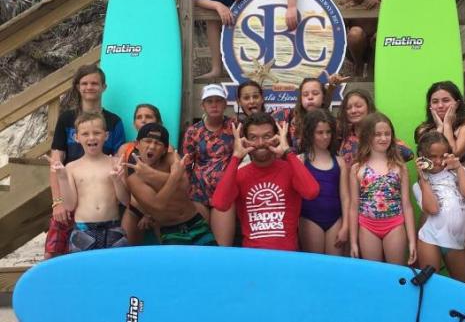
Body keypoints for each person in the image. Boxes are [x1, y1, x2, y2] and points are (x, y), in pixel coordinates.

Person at [45, 64, 125, 259]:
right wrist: (57, 202)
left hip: (104, 197)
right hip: (71, 189)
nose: (89, 87)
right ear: (78, 87)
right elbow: (56, 162)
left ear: (103, 87)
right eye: (85, 83)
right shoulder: (66, 119)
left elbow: (119, 159)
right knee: (53, 253)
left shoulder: (114, 121)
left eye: (94, 83)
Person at [211, 111, 320, 250]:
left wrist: (287, 152)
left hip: (287, 257)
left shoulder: (291, 168)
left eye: (266, 136)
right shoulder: (239, 174)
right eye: (253, 137)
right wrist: (236, 157)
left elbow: (312, 192)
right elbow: (220, 204)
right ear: (245, 140)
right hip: (252, 257)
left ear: (276, 137)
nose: (260, 143)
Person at [48, 112, 129, 252]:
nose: (91, 137)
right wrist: (61, 177)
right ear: (76, 137)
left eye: (97, 132)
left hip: (113, 228)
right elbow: (69, 205)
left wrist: (117, 180)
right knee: (83, 272)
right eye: (85, 134)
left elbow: (126, 201)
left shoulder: (116, 164)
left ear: (106, 136)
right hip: (82, 231)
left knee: (115, 271)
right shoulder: (71, 167)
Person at [126, 123, 217, 246]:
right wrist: (174, 177)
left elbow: (185, 185)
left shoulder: (171, 158)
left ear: (165, 149)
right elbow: (158, 206)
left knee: (210, 260)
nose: (152, 146)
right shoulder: (134, 179)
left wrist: (150, 174)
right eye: (147, 141)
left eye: (158, 143)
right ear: (137, 144)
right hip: (170, 229)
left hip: (195, 220)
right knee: (178, 265)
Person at [194, 0, 299, 79]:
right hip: (255, 40)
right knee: (211, 15)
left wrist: (292, 6)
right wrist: (217, 5)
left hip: (284, 23)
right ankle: (216, 69)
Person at [349, 112, 417, 265]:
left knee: (395, 273)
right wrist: (353, 241)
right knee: (374, 276)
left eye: (387, 134)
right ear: (367, 137)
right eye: (377, 134)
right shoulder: (357, 168)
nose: (383, 138)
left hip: (395, 225)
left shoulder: (400, 167)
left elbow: (407, 205)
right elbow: (353, 206)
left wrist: (412, 241)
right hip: (367, 227)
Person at [413, 131, 465, 284]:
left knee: (464, 284)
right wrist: (423, 178)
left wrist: (459, 167)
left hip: (455, 240)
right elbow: (433, 209)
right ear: (422, 156)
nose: (438, 161)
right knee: (431, 285)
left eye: (442, 156)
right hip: (430, 239)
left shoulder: (457, 172)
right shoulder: (418, 185)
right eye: (433, 156)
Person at [183, 84, 236, 246]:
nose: (214, 105)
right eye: (209, 101)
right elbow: (186, 165)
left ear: (225, 104)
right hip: (198, 192)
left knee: (223, 247)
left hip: (224, 191)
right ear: (203, 105)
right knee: (200, 246)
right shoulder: (193, 131)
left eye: (218, 101)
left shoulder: (235, 126)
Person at [298, 109, 349, 255]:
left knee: (335, 265)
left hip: (335, 220)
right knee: (315, 266)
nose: (325, 137)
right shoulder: (300, 161)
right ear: (310, 134)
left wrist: (345, 226)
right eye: (319, 133)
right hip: (309, 219)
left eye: (328, 132)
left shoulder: (339, 162)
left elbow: (345, 197)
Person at [117, 104, 166, 245]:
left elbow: (166, 182)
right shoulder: (125, 149)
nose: (143, 120)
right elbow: (122, 181)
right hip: (133, 208)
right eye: (139, 117)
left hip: (159, 208)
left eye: (148, 117)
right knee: (126, 250)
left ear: (158, 123)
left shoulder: (166, 148)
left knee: (166, 250)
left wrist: (150, 213)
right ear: (134, 124)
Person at [337, 89, 413, 167]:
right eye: (348, 108)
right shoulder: (343, 132)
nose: (353, 110)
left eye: (358, 106)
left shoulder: (380, 132)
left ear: (369, 107)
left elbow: (408, 153)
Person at [340, 0, 382, 77]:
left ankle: (372, 66)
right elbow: (341, 29)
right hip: (355, 49)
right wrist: (346, 12)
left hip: (377, 45)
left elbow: (392, 13)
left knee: (379, 36)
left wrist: (378, 4)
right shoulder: (345, 2)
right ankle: (358, 64)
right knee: (355, 32)